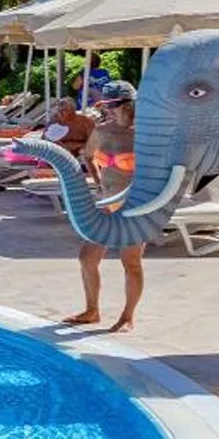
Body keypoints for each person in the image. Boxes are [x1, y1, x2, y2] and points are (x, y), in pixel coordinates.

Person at [67, 81, 146, 333]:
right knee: (87, 258)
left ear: (129, 104)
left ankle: (127, 317)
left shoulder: (144, 134)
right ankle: (92, 311)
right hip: (106, 203)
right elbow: (89, 156)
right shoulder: (101, 131)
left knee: (130, 263)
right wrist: (98, 182)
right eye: (106, 105)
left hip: (133, 207)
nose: (108, 109)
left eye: (114, 105)